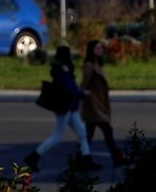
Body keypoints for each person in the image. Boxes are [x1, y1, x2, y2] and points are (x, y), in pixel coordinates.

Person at [24, 45, 100, 173]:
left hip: (69, 107)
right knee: (57, 136)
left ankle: (86, 160)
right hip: (64, 107)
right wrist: (84, 94)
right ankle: (33, 157)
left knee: (82, 132)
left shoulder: (61, 70)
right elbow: (70, 90)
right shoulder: (62, 71)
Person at [81, 39, 125, 166]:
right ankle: (117, 157)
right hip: (94, 104)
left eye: (100, 48)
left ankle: (83, 158)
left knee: (89, 133)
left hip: (98, 103)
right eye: (97, 48)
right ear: (91, 50)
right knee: (107, 130)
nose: (99, 50)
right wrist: (82, 94)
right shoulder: (89, 65)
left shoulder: (97, 64)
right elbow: (84, 83)